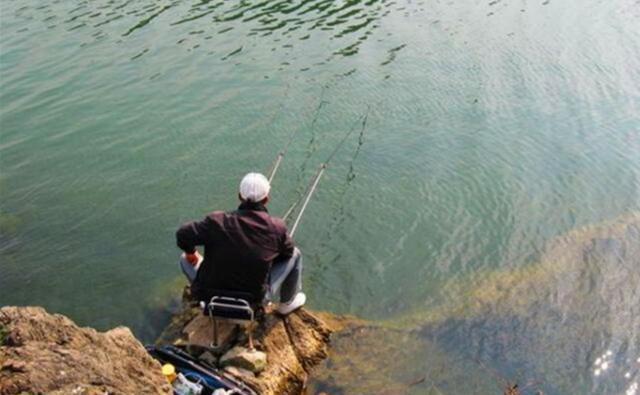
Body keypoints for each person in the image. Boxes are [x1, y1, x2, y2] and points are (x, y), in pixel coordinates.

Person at [176, 172, 305, 315]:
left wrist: (191, 252)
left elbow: (182, 234)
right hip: (252, 300)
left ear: (239, 196)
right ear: (266, 199)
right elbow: (288, 252)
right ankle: (287, 303)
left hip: (210, 295)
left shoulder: (216, 221)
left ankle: (203, 300)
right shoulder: (276, 227)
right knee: (295, 254)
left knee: (184, 258)